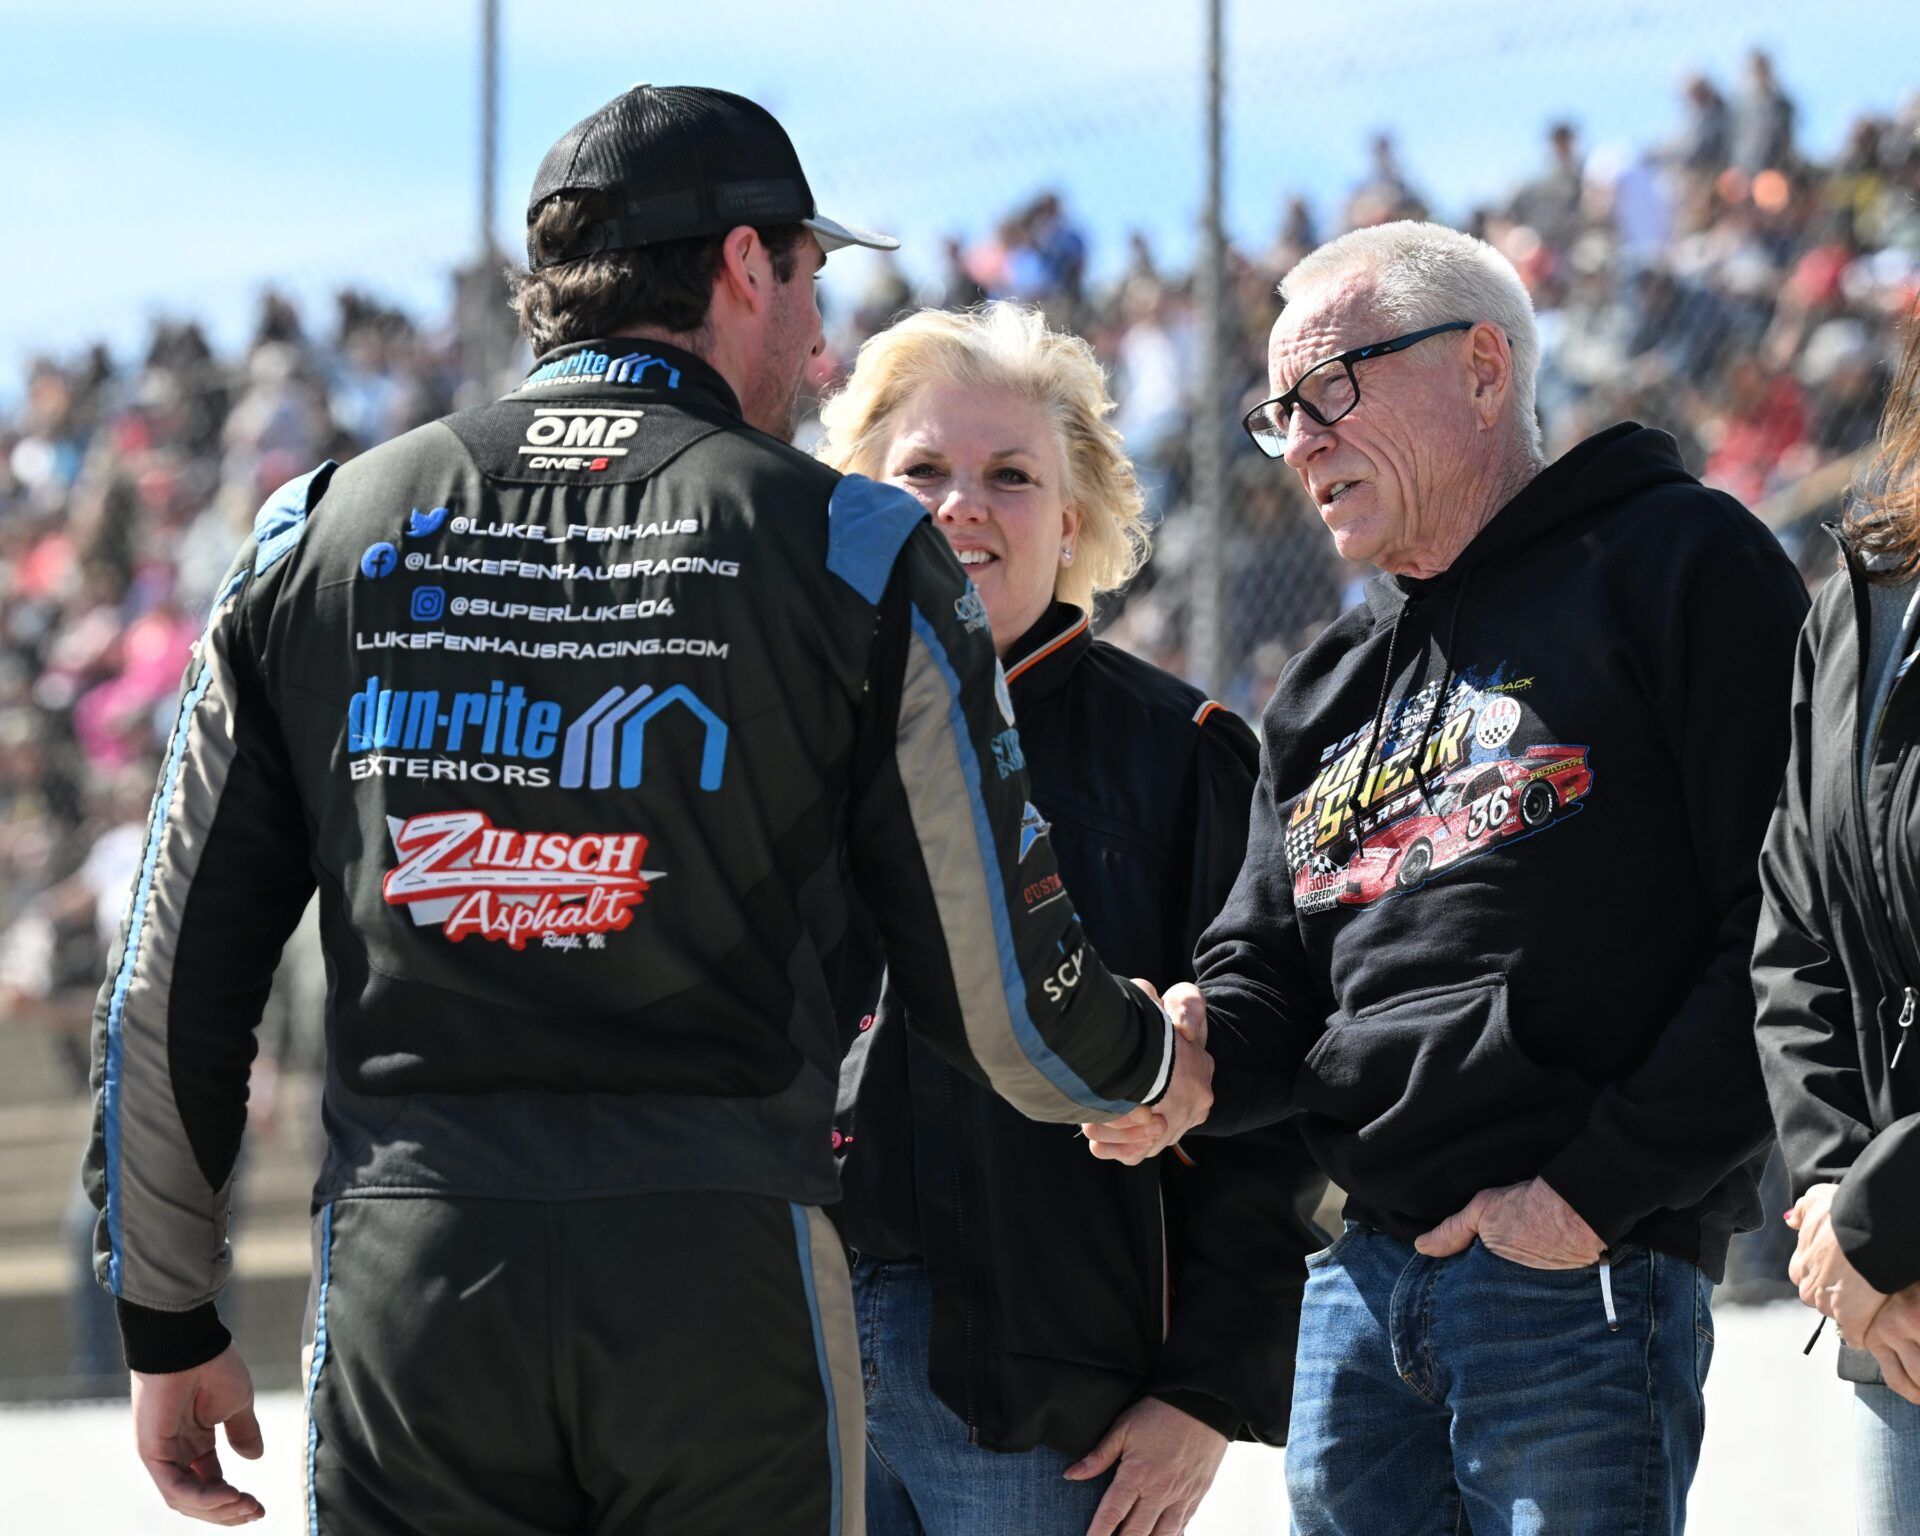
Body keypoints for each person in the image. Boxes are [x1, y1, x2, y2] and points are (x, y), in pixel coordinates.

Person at [83, 85, 1208, 1533]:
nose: (818, 340)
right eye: (812, 280)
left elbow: (169, 981)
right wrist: (1139, 1065)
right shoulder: (854, 542)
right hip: (721, 1276)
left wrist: (165, 1314)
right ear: (748, 265)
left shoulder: (319, 527)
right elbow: (1004, 996)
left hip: (410, 1278)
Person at [1090, 219, 1809, 1534]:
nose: (1299, 441)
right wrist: (1189, 1057)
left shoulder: (1678, 562)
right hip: (1359, 1283)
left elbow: (1783, 924)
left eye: (1329, 392)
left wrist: (1595, 1195)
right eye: (1277, 414)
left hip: (1576, 1269)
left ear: (1483, 368)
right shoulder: (1324, 682)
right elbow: (1266, 990)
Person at [817, 303, 1326, 1536]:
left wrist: (1207, 1388)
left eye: (1011, 476)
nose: (963, 506)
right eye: (922, 471)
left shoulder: (1187, 756)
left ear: (1076, 519)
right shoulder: (777, 732)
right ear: (856, 502)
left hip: (1053, 1397)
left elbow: (1270, 1087)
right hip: (779, 1358)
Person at [1753, 308, 1920, 1534]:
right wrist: (1834, 1214)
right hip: (1893, 1302)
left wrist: (1873, 1220)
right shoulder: (1858, 605)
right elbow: (1796, 926)